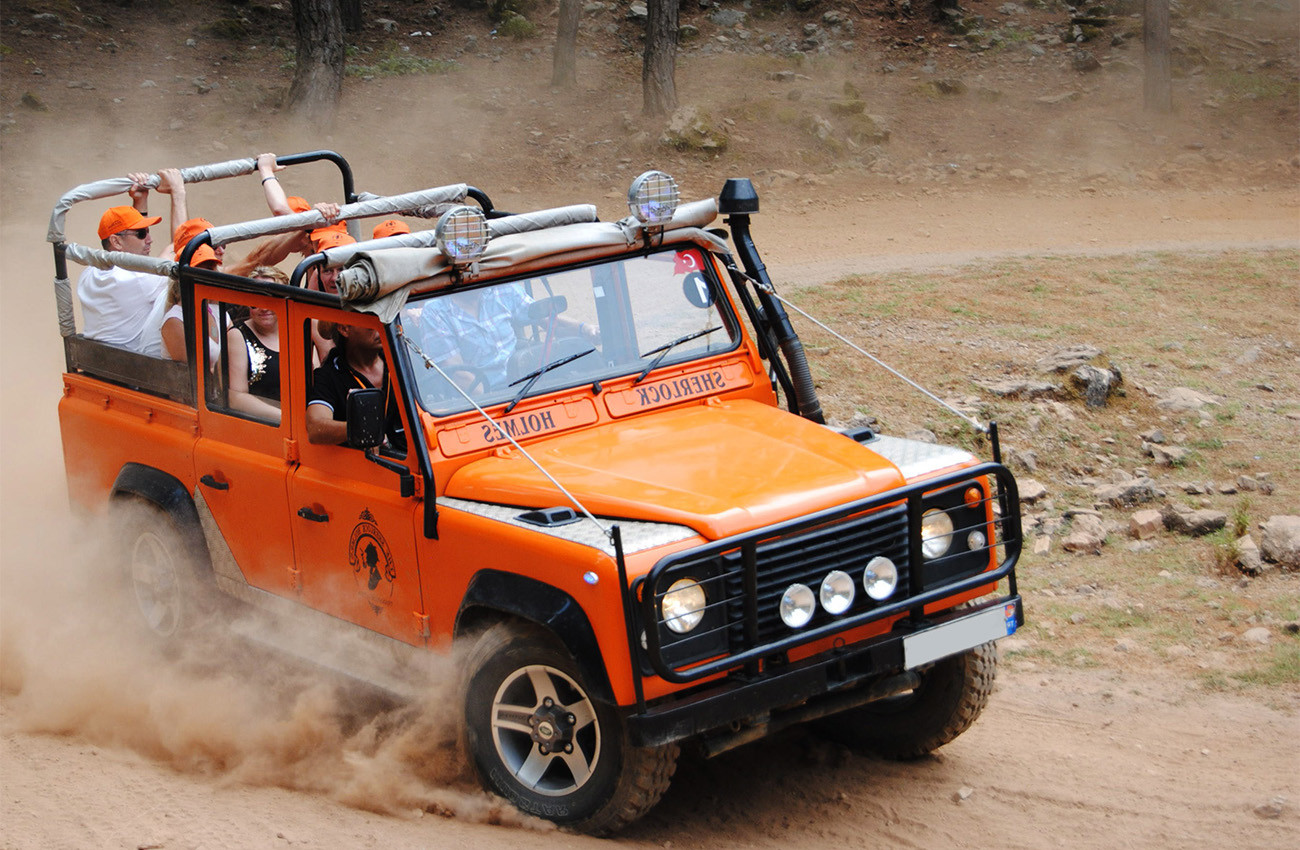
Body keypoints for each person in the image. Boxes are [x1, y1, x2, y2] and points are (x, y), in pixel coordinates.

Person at [418, 284, 599, 391]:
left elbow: (548, 320)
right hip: (488, 397)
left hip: (528, 382)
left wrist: (585, 329)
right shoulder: (435, 312)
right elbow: (458, 375)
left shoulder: (502, 289)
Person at [77, 172, 168, 351]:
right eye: (142, 234)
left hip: (99, 362)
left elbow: (136, 256)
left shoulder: (89, 272)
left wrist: (140, 200)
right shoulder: (138, 279)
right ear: (116, 242)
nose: (150, 239)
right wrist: (179, 193)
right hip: (139, 369)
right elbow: (178, 250)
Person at [306, 323, 405, 452]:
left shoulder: (400, 359)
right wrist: (362, 430)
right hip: (364, 466)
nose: (381, 329)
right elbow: (315, 428)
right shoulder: (329, 376)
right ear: (344, 329)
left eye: (385, 323)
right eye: (371, 324)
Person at [226, 267, 286, 424]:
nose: (264, 308)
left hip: (305, 423)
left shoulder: (299, 328)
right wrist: (284, 418)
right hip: (264, 424)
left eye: (271, 300)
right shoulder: (238, 335)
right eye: (255, 302)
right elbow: (237, 397)